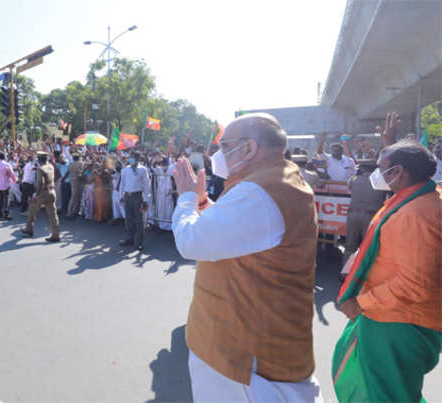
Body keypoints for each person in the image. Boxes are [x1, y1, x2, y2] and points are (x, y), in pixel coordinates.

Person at [171, 113, 323, 402]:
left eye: (225, 145)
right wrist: (204, 202)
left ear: (250, 148)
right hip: (243, 345)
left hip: (243, 360)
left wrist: (187, 199)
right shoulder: (274, 180)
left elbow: (191, 242)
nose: (219, 154)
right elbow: (240, 228)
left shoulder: (261, 190)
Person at [333, 114, 441, 402]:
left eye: (383, 169)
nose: (377, 175)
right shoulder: (419, 195)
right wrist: (390, 144)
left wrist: (360, 302)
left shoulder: (416, 214)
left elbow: (414, 284)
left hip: (398, 321)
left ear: (399, 173)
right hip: (393, 317)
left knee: (388, 395)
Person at [342, 160, 387, 268]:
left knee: (350, 246)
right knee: (367, 247)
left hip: (353, 214)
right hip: (371, 216)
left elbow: (349, 189)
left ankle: (346, 272)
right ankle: (362, 275)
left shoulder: (353, 179)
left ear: (362, 168)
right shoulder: (381, 181)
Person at [20, 152, 60, 242]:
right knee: (53, 215)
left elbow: (40, 182)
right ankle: (55, 234)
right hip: (52, 191)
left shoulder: (40, 169)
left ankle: (29, 228)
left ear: (39, 159)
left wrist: (36, 195)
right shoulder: (51, 166)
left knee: (32, 210)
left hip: (43, 192)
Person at [119, 151, 150, 250]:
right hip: (127, 196)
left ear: (137, 159)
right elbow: (122, 184)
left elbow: (146, 185)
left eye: (132, 157)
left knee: (139, 220)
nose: (130, 159)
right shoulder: (125, 170)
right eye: (130, 157)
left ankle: (139, 242)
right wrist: (121, 196)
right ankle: (129, 238)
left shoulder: (143, 170)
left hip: (137, 196)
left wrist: (145, 199)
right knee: (128, 219)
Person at [152, 157, 175, 230]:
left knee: (169, 209)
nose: (163, 165)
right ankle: (161, 225)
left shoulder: (171, 169)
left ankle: (169, 226)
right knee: (161, 208)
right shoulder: (158, 169)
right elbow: (153, 166)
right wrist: (156, 160)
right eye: (162, 163)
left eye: (164, 163)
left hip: (168, 193)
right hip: (160, 193)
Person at [0, 151, 17, 220]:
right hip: (5, 184)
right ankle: (6, 214)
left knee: (0, 199)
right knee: (6, 199)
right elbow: (11, 174)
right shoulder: (6, 164)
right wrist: (15, 180)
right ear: (4, 156)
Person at [66, 153, 85, 218]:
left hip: (73, 181)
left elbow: (67, 173)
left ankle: (72, 212)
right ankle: (72, 212)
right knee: (77, 197)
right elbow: (82, 172)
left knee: (74, 197)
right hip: (79, 181)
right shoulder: (81, 163)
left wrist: (63, 179)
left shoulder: (70, 164)